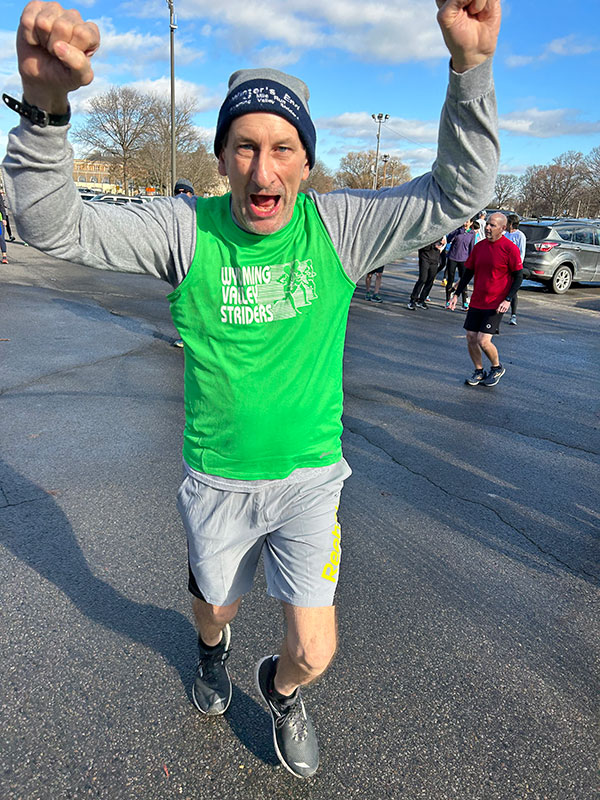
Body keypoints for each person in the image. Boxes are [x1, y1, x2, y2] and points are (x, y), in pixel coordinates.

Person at [2, 0, 501, 779]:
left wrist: (470, 67)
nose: (261, 172)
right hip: (218, 479)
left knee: (315, 648)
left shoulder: (341, 228)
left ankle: (279, 690)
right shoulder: (185, 230)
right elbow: (52, 225)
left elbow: (458, 191)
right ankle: (213, 651)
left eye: (281, 149)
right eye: (243, 147)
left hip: (309, 479)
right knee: (217, 610)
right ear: (222, 153)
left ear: (305, 159)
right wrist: (44, 109)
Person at [448, 212, 522, 387]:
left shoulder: (510, 248)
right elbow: (468, 273)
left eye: (492, 225)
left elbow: (518, 276)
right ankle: (479, 371)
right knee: (471, 337)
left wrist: (508, 299)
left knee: (483, 340)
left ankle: (497, 367)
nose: (487, 228)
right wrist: (456, 295)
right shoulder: (480, 247)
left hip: (496, 303)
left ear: (503, 228)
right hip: (477, 300)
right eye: (487, 224)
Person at [172, 179, 195, 346]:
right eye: (177, 192)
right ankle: (185, 336)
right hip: (178, 262)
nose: (181, 196)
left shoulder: (199, 212)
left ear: (191, 194)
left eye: (184, 192)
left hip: (197, 263)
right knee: (182, 302)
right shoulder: (171, 213)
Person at [407, 236, 446, 310]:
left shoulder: (441, 232)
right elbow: (421, 244)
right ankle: (413, 300)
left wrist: (442, 245)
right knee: (422, 279)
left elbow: (444, 243)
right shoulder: (427, 231)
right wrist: (434, 245)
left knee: (430, 280)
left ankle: (422, 300)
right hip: (425, 257)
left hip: (435, 259)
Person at [503, 213, 528, 325]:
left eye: (507, 223)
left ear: (512, 224)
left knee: (513, 291)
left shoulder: (520, 236)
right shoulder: (505, 234)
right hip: (504, 266)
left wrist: (517, 266)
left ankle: (513, 315)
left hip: (514, 267)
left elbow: (521, 252)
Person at [445, 220, 475, 309]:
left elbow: (471, 248)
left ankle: (464, 301)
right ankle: (448, 301)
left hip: (464, 260)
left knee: (463, 280)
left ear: (471, 223)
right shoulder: (458, 230)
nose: (465, 224)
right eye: (464, 221)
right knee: (450, 279)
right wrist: (456, 231)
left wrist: (471, 261)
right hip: (452, 257)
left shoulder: (472, 234)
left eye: (467, 222)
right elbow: (448, 239)